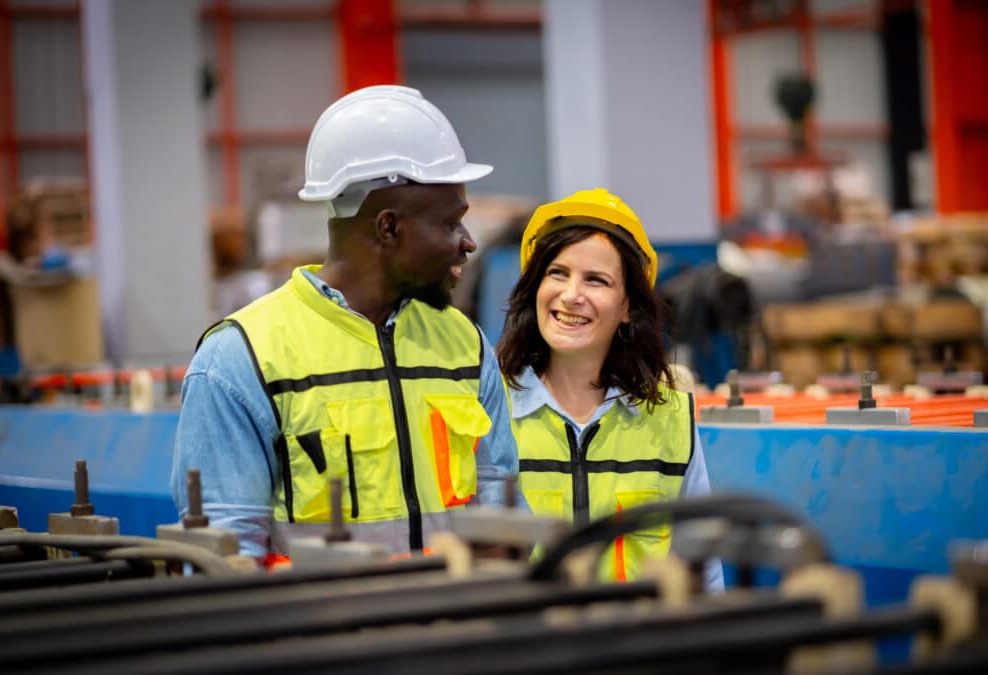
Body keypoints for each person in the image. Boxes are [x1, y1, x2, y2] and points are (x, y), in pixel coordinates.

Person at [171, 85, 523, 561]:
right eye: (450, 223)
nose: (467, 243)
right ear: (389, 227)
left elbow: (501, 518)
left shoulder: (465, 346)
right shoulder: (243, 359)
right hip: (319, 633)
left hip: (451, 630)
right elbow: (226, 559)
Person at [497, 188, 723, 588]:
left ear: (626, 309)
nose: (571, 295)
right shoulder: (491, 408)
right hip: (529, 645)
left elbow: (702, 570)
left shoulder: (670, 418)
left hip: (636, 644)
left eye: (596, 280)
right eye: (557, 273)